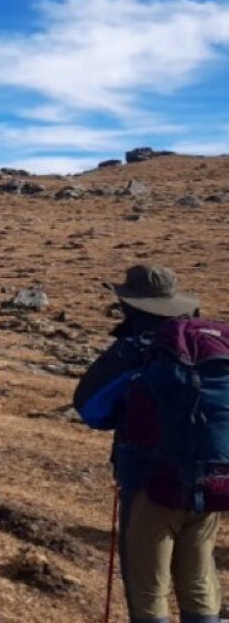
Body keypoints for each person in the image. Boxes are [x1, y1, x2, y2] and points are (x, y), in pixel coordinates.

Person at [74, 264, 228, 623]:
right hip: (215, 481)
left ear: (132, 306)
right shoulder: (214, 342)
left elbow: (90, 408)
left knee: (147, 584)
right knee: (199, 575)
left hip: (151, 484)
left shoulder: (139, 349)